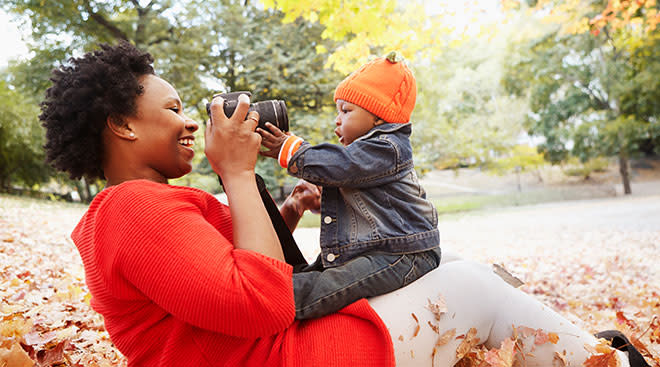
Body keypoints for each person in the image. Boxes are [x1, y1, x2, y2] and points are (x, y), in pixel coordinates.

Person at [39, 41, 645, 367]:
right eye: (171, 109)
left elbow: (247, 267)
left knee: (449, 262)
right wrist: (239, 172)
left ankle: (569, 351)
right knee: (474, 293)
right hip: (281, 358)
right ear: (120, 124)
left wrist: (289, 212)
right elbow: (259, 302)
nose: (190, 120)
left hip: (269, 350)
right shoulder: (129, 212)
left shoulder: (149, 206)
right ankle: (605, 365)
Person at [258, 52, 442, 320]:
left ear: (378, 118)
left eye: (346, 110)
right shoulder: (367, 154)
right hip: (377, 248)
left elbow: (341, 165)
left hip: (403, 253)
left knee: (328, 286)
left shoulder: (388, 147)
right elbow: (361, 197)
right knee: (312, 273)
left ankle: (274, 303)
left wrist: (290, 149)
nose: (337, 119)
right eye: (337, 111)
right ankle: (282, 285)